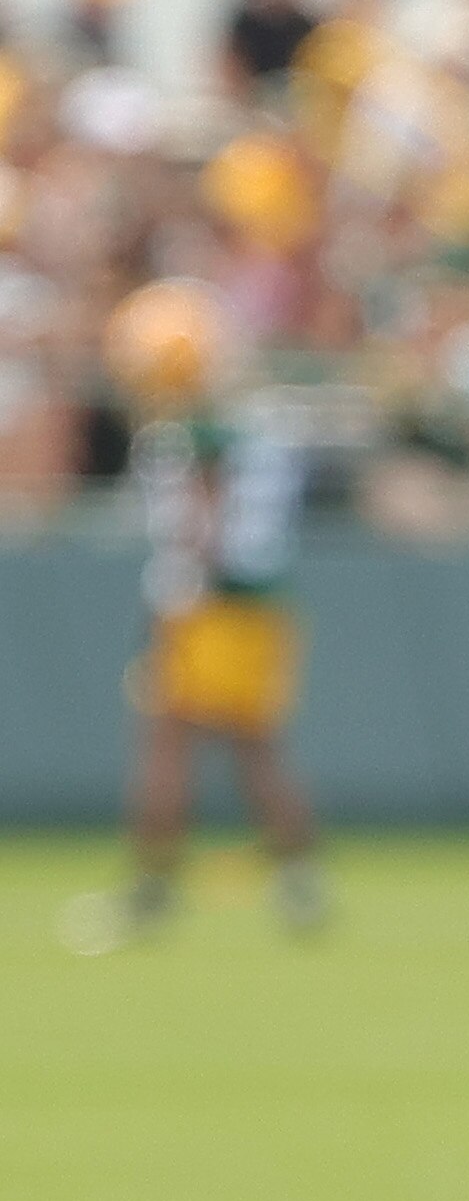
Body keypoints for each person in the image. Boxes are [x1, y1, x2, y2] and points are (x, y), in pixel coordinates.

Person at [64, 278, 323, 953]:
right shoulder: (242, 417)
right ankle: (299, 880)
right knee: (254, 747)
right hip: (254, 603)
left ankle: (151, 888)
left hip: (212, 604)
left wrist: (182, 600)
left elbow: (205, 526)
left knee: (167, 744)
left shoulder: (199, 426)